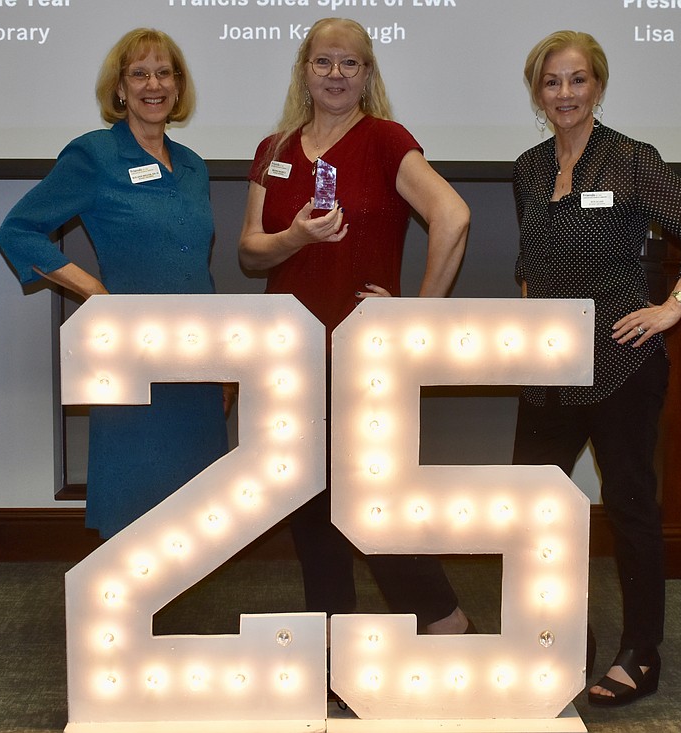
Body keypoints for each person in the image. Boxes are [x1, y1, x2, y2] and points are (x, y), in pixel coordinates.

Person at [511, 30, 681, 707]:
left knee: (630, 506)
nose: (565, 94)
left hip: (621, 361)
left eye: (577, 80)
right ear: (537, 92)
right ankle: (556, 641)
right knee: (532, 510)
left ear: (598, 87)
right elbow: (532, 260)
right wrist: (526, 322)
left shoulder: (632, 160)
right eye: (552, 82)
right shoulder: (528, 166)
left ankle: (641, 653)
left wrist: (672, 307)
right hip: (548, 367)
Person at [238, 18, 472, 636]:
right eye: (323, 63)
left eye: (349, 64)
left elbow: (453, 214)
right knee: (310, 507)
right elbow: (249, 252)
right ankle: (334, 641)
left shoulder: (386, 139)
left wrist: (416, 315)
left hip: (364, 358)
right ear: (304, 71)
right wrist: (294, 237)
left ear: (367, 75)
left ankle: (443, 622)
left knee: (374, 503)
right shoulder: (276, 150)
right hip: (287, 358)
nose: (335, 75)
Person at [0, 28, 230, 539]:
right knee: (135, 496)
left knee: (197, 508)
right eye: (140, 73)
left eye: (164, 73)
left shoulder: (192, 166)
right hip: (133, 353)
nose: (154, 84)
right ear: (120, 89)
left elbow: (197, 266)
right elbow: (17, 230)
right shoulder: (95, 155)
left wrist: (226, 365)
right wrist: (96, 293)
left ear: (178, 86)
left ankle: (169, 613)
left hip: (200, 360)